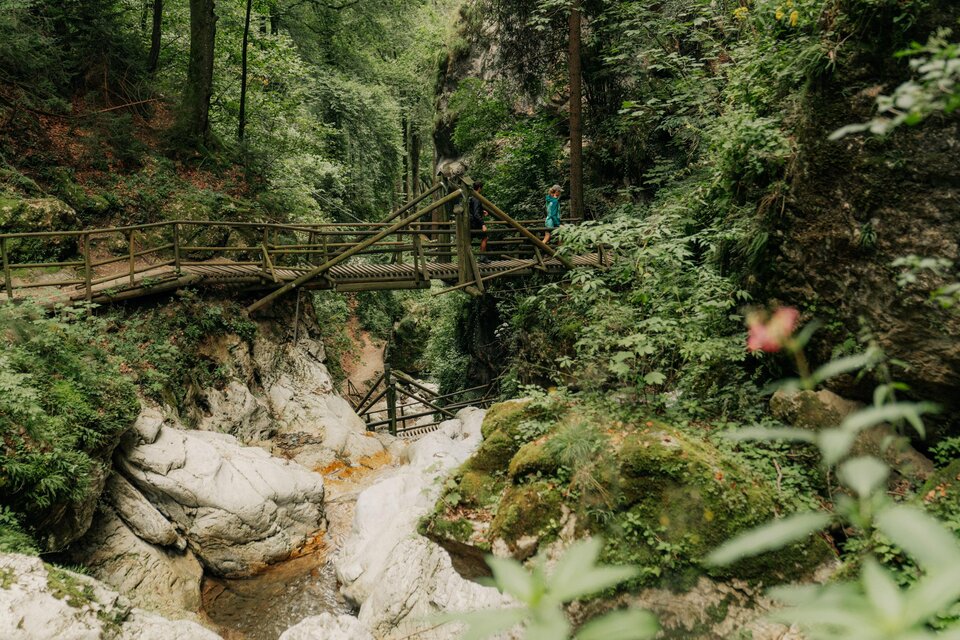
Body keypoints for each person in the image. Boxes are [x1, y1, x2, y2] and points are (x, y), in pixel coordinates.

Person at [469, 181, 489, 256]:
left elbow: (472, 209)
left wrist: (482, 211)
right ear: (479, 188)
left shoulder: (471, 197)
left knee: (469, 239)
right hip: (475, 223)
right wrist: (483, 225)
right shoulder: (477, 198)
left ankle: (467, 258)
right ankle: (482, 257)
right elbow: (476, 214)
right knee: (485, 237)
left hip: (470, 222)